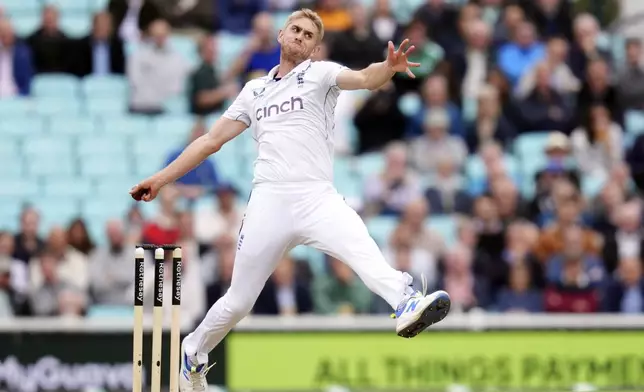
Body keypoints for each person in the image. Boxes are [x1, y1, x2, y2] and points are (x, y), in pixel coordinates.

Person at [129, 8, 451, 392]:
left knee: (361, 246)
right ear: (281, 34)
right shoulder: (253, 91)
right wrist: (161, 180)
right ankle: (193, 351)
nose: (299, 36)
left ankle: (405, 302)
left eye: (308, 35)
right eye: (295, 30)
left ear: (315, 48)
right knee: (239, 301)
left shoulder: (319, 73)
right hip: (269, 201)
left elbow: (365, 77)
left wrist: (388, 66)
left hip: (316, 196)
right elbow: (209, 141)